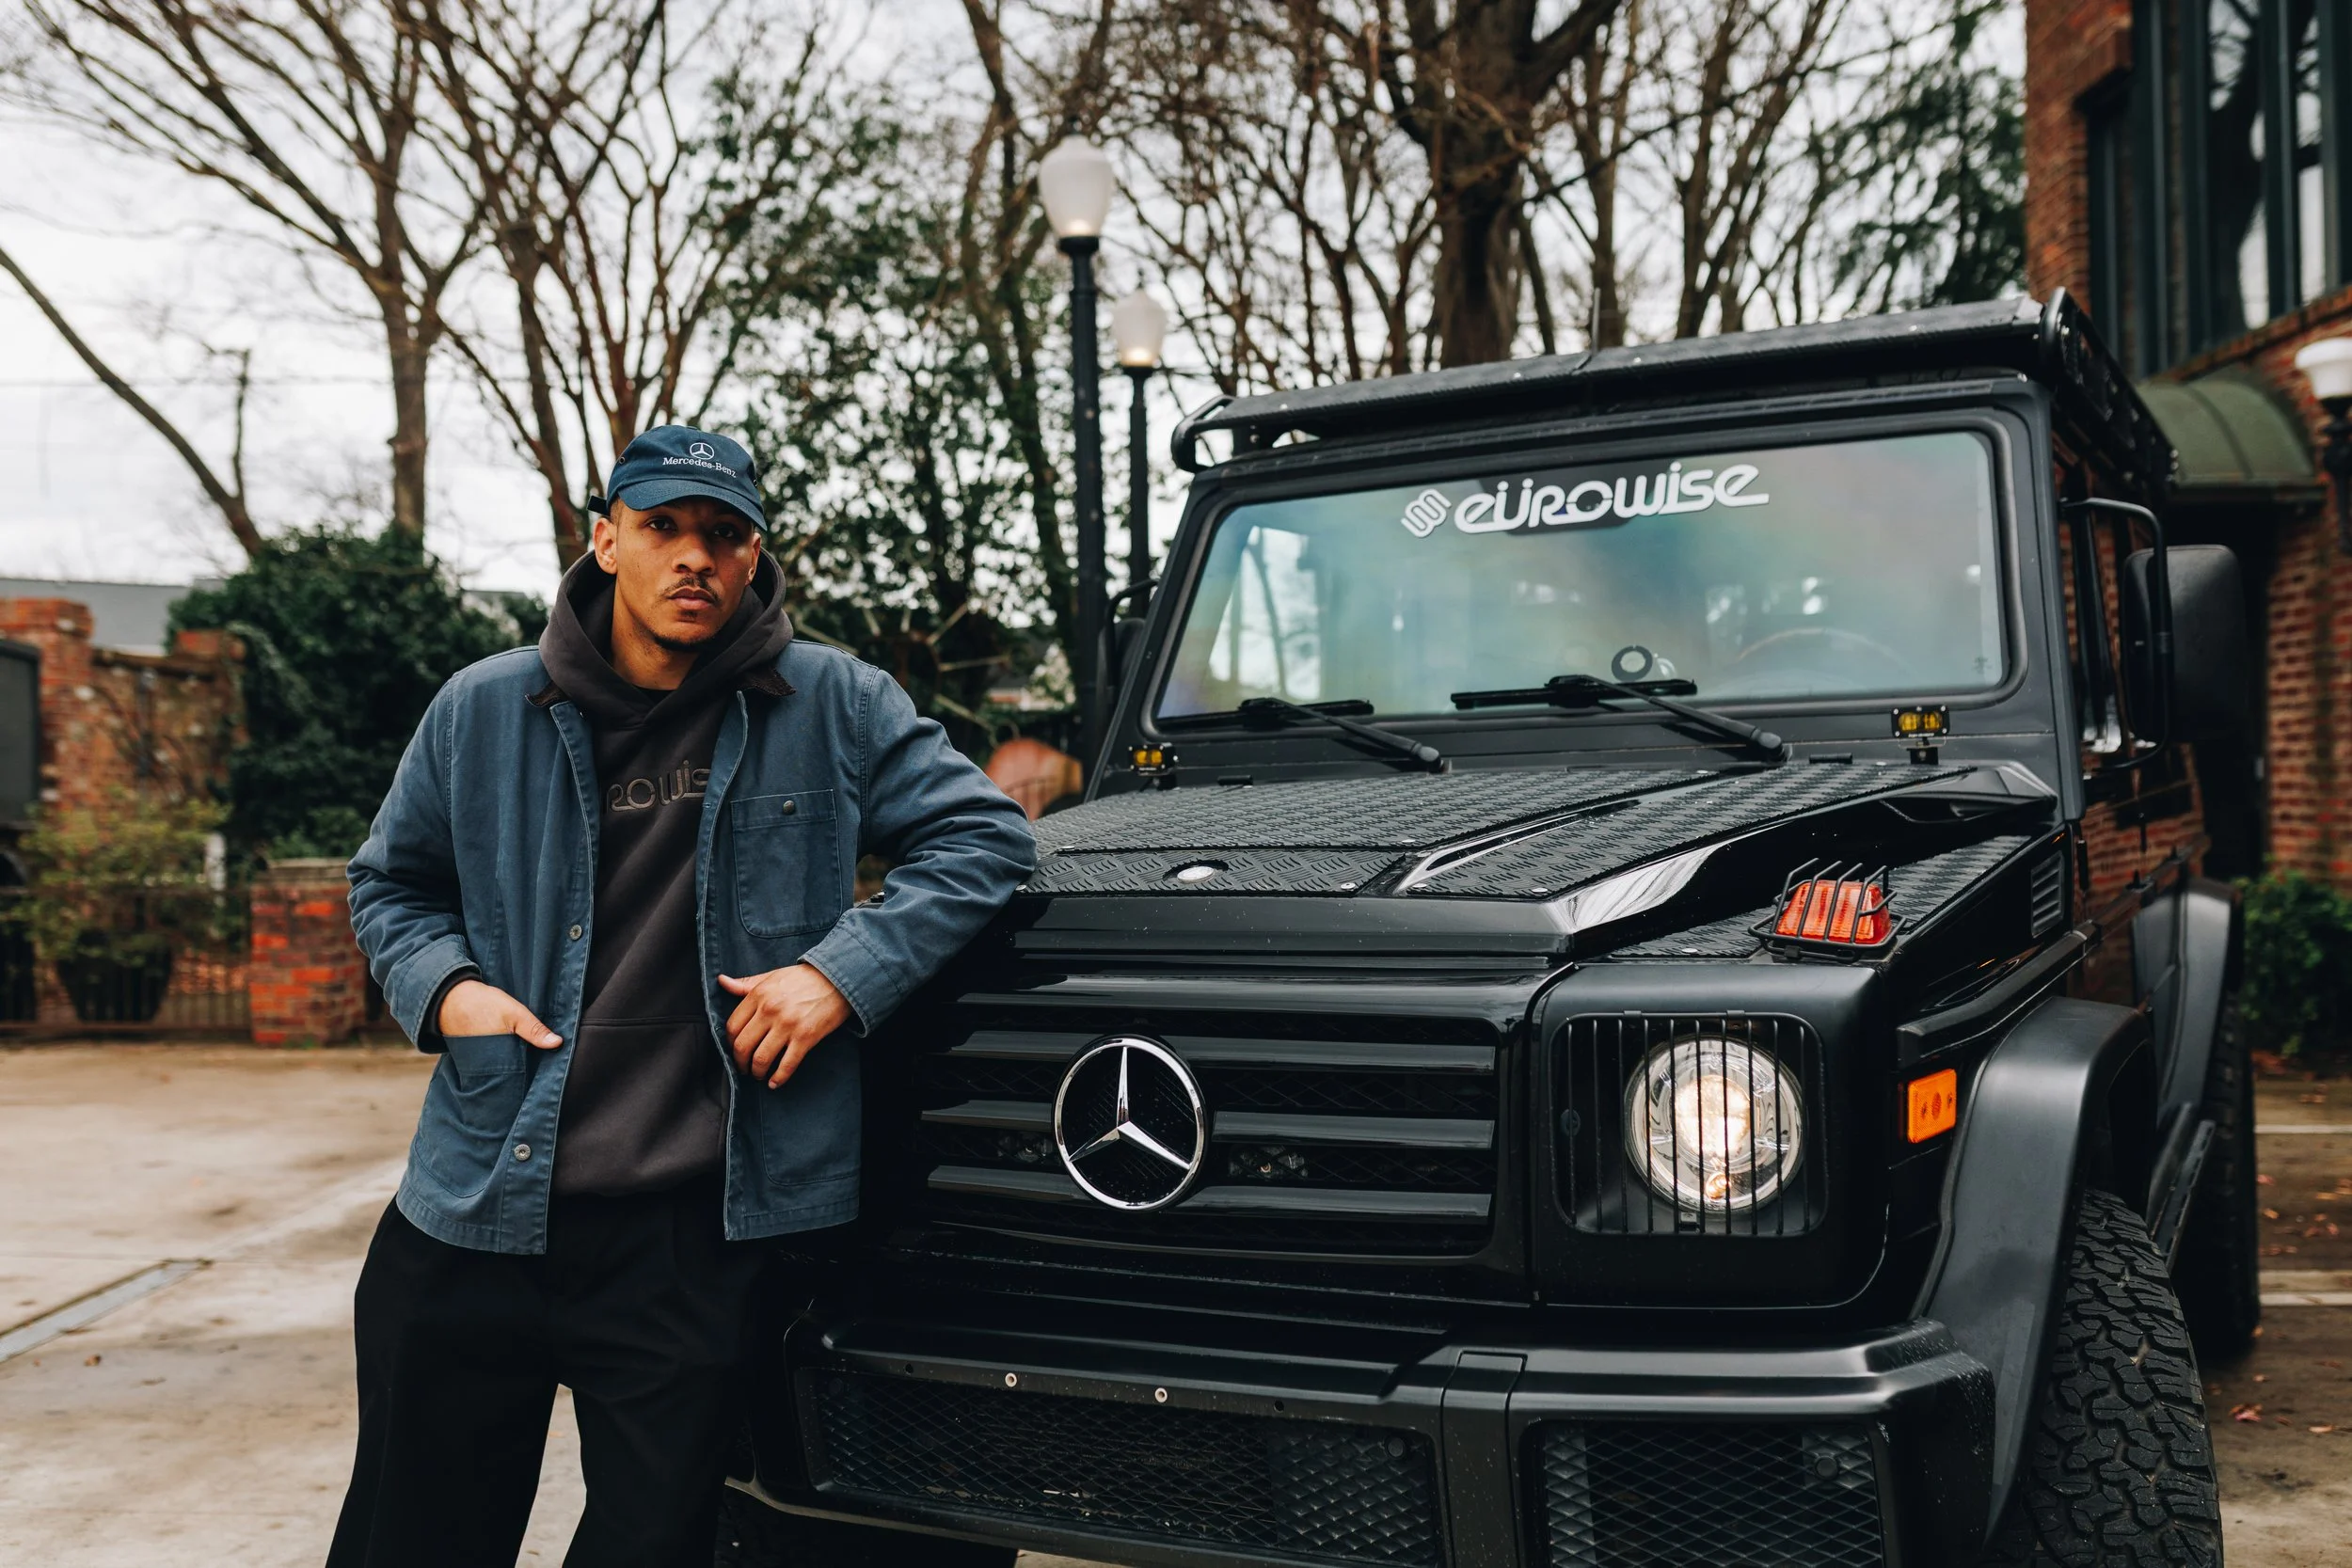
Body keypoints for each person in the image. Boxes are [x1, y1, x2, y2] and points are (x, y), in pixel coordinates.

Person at [328, 424, 1036, 1568]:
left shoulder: (836, 702)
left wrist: (838, 973)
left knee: (653, 1546)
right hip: (477, 1204)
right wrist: (448, 990)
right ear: (606, 540)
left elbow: (984, 838)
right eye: (661, 526)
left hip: (693, 1233)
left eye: (722, 532)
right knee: (411, 1540)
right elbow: (391, 883)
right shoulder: (480, 708)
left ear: (754, 554)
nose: (693, 555)